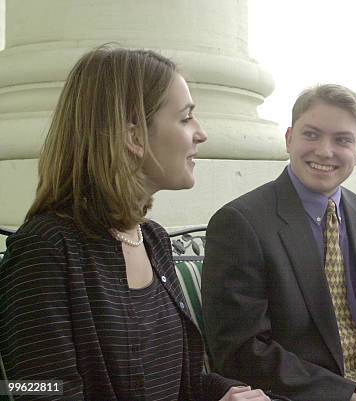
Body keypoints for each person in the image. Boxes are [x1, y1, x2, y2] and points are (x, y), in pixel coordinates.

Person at [0, 46, 271, 401]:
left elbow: (181, 383)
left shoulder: (151, 239)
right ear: (134, 136)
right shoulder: (44, 251)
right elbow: (37, 391)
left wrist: (224, 394)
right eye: (186, 118)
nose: (201, 133)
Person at [203, 84, 356, 401]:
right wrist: (348, 395)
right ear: (289, 138)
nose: (325, 151)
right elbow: (242, 351)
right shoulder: (240, 223)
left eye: (342, 140)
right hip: (303, 392)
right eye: (312, 135)